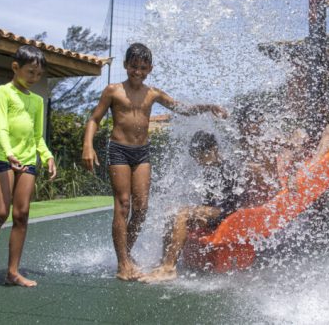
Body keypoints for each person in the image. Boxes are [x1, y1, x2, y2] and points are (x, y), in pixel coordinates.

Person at [82, 43, 227, 281]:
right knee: (123, 204)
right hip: (119, 150)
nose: (137, 72)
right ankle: (123, 265)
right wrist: (88, 146)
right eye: (133, 67)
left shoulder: (153, 94)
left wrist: (208, 107)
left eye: (142, 67)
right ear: (125, 65)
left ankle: (126, 255)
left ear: (150, 68)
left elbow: (182, 108)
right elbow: (94, 119)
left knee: (141, 208)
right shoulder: (113, 91)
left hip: (142, 153)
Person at [0, 45, 57, 289]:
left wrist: (47, 156)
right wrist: (8, 153)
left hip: (27, 160)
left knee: (21, 214)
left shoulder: (38, 101)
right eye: (30, 72)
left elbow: (38, 136)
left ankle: (13, 272)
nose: (34, 78)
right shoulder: (3, 92)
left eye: (38, 75)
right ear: (15, 67)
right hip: (2, 157)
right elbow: (2, 127)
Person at [138, 131, 245, 283]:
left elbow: (234, 204)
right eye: (196, 158)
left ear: (213, 149)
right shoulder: (210, 169)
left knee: (182, 214)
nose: (199, 161)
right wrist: (202, 214)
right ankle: (164, 262)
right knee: (172, 212)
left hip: (229, 214)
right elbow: (209, 201)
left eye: (201, 156)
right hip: (216, 212)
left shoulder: (228, 168)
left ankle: (169, 269)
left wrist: (205, 214)